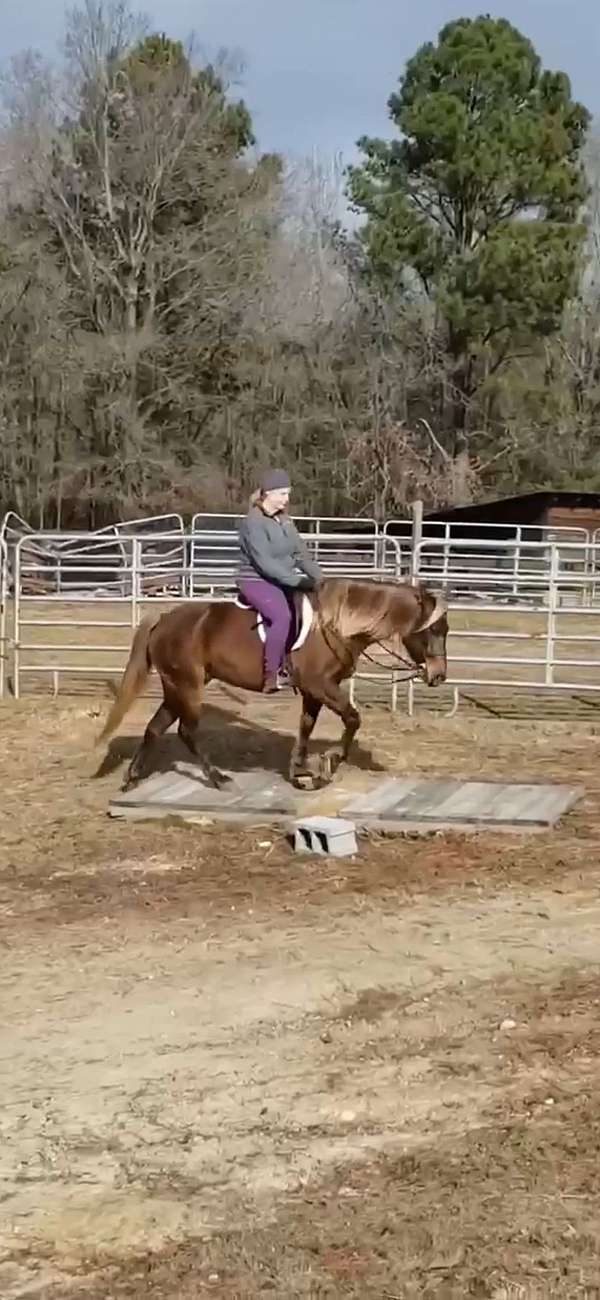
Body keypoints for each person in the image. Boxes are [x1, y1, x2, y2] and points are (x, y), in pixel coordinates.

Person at [236, 469, 322, 692]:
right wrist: (297, 582)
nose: (287, 499)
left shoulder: (285, 521)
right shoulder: (252, 523)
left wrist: (320, 580)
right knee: (282, 616)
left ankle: (295, 664)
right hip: (256, 580)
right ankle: (271, 675)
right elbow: (264, 563)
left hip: (282, 579)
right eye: (283, 493)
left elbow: (301, 554)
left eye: (288, 493)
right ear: (268, 494)